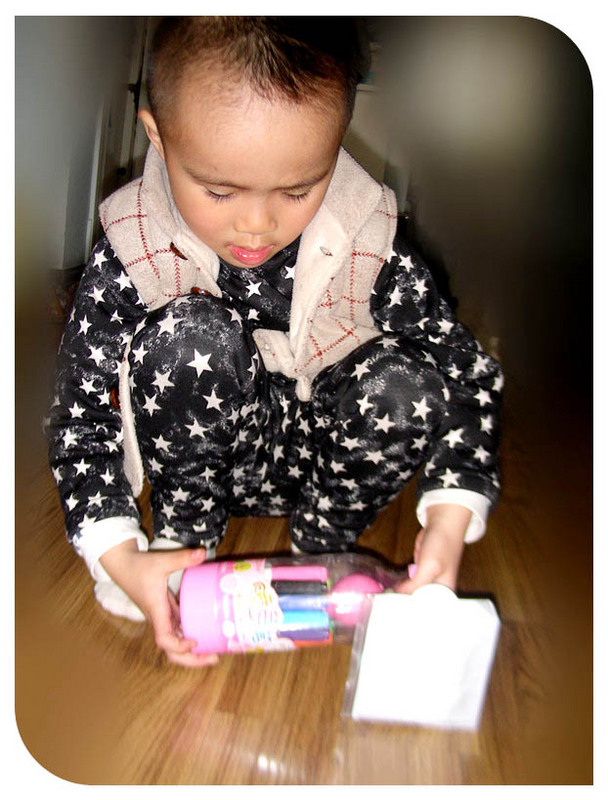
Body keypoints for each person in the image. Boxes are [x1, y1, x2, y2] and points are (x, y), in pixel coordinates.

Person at [46, 17, 502, 667]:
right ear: (158, 136)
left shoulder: (371, 243)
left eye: (297, 189)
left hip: (323, 461)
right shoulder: (132, 245)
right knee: (190, 334)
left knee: (409, 382)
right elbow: (79, 412)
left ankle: (324, 547)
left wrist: (452, 516)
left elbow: (465, 372)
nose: (257, 226)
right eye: (219, 191)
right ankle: (184, 543)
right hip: (204, 464)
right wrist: (117, 552)